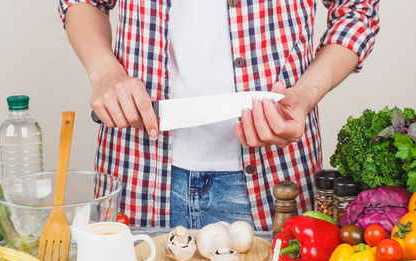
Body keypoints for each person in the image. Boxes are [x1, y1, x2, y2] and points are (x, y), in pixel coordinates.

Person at [58, 0, 380, 230]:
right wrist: (104, 72)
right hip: (137, 170)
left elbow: (358, 10)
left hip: (277, 176)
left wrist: (308, 92)